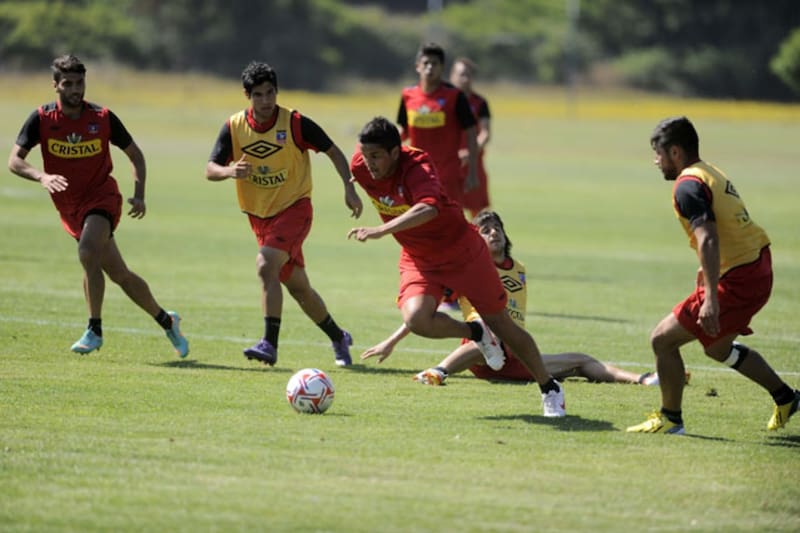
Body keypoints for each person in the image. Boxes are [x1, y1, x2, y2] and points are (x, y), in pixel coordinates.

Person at [347, 117, 565, 417]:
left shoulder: (417, 166)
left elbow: (428, 207)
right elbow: (342, 163)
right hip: (419, 258)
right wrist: (350, 191)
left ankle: (550, 388)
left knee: (503, 325)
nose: (368, 163)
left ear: (395, 153)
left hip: (462, 252)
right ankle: (475, 332)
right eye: (365, 154)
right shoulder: (360, 165)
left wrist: (381, 231)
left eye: (376, 156)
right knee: (416, 319)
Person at [7, 54, 188, 357]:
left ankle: (94, 329)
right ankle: (167, 320)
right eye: (68, 84)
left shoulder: (102, 118)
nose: (76, 89)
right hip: (70, 208)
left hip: (102, 197)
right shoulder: (41, 119)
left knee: (87, 250)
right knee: (120, 275)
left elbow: (136, 155)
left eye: (80, 83)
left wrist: (140, 193)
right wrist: (42, 176)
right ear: (55, 86)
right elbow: (14, 160)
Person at [627, 116, 798, 435]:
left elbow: (709, 238)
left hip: (740, 277)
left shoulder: (688, 185)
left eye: (658, 154)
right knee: (717, 348)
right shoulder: (709, 171)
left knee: (662, 340)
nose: (656, 161)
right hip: (756, 265)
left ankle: (670, 419)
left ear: (675, 152)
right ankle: (786, 398)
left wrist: (711, 301)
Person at [361, 210, 666, 387]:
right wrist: (393, 340)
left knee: (581, 361)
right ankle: (438, 372)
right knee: (487, 332)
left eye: (497, 228)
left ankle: (642, 379)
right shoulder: (466, 270)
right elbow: (429, 307)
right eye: (485, 230)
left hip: (518, 357)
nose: (493, 232)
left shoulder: (518, 269)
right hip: (481, 355)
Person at [205, 61, 363, 367]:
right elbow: (209, 169)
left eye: (270, 93)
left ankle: (269, 344)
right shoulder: (234, 127)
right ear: (246, 95)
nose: (266, 101)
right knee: (300, 289)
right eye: (259, 95)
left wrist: (349, 188)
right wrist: (229, 170)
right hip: (259, 218)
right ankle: (338, 337)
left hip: (295, 209)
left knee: (265, 265)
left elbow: (333, 151)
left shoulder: (295, 123)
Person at [397, 42, 479, 208]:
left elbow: (471, 132)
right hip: (417, 172)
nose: (430, 68)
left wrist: (472, 172)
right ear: (417, 66)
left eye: (434, 64)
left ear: (442, 68)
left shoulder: (455, 96)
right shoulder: (408, 95)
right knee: (419, 220)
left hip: (448, 174)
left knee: (451, 221)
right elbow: (403, 131)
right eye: (425, 63)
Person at [449, 57, 492, 218]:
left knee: (479, 212)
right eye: (461, 74)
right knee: (451, 209)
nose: (465, 79)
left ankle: (480, 243)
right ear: (452, 76)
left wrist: (470, 152)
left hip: (474, 163)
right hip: (450, 163)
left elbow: (485, 133)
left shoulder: (480, 103)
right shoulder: (445, 102)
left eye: (469, 75)